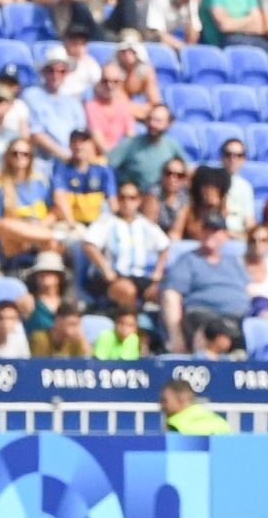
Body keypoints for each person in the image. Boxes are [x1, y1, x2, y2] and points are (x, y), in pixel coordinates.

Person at [161, 214, 251, 353]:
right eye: (206, 229)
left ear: (225, 236)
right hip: (204, 315)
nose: (209, 234)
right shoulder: (187, 260)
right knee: (213, 327)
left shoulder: (234, 262)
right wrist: (176, 336)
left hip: (238, 317)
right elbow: (171, 294)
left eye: (215, 230)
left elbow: (248, 290)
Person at [82, 178, 167, 309]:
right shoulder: (107, 222)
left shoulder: (145, 224)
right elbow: (89, 244)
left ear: (139, 201)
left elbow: (164, 245)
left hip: (141, 277)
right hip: (114, 277)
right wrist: (106, 269)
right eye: (123, 198)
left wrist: (158, 272)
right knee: (127, 290)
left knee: (164, 293)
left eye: (132, 198)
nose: (127, 202)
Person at [159, 378, 231, 433]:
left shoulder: (174, 425)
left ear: (182, 398)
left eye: (164, 400)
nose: (161, 405)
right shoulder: (222, 423)